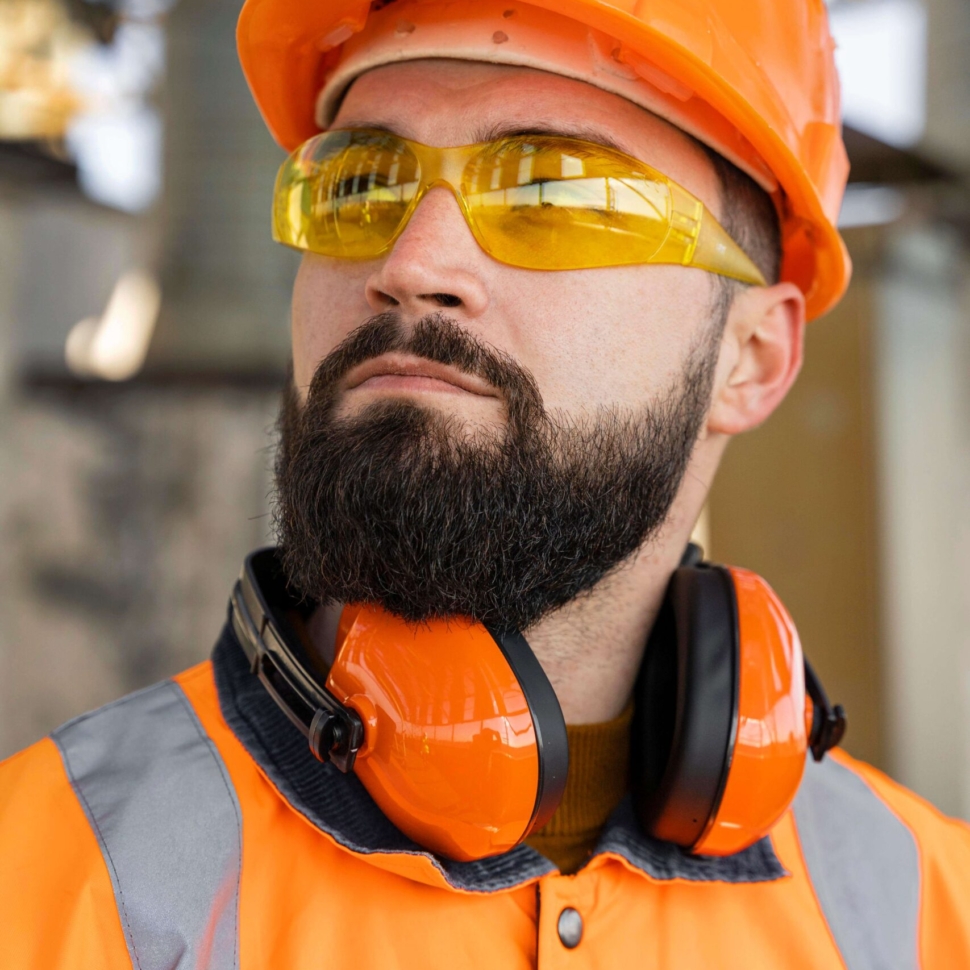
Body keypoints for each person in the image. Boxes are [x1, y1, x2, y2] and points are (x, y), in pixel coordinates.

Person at [2, 0, 970, 966]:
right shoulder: (36, 878)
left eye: (553, 190)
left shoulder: (926, 910)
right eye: (360, 185)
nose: (410, 262)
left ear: (751, 357)